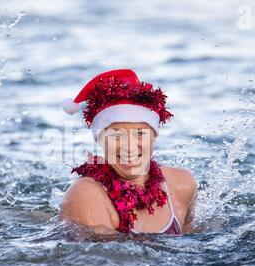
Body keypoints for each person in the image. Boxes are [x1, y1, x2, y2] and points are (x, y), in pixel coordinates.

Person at [60, 69, 198, 235]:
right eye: (117, 135)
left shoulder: (181, 185)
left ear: (154, 136)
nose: (129, 146)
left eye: (140, 133)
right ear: (99, 139)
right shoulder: (86, 196)